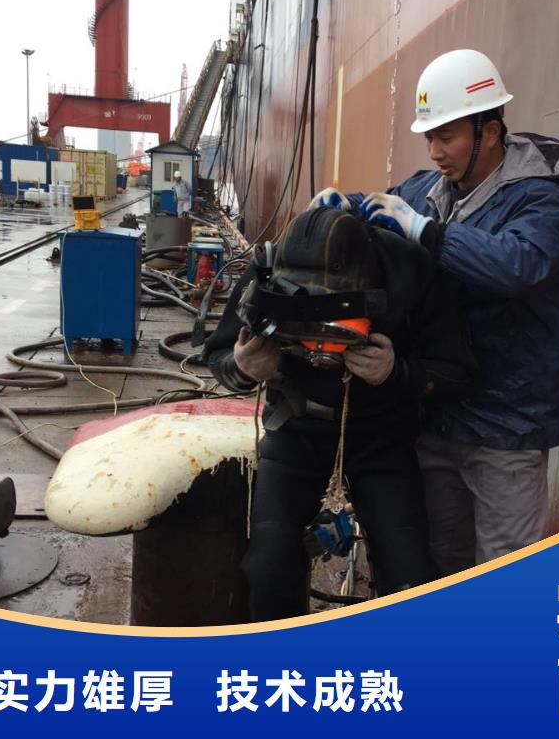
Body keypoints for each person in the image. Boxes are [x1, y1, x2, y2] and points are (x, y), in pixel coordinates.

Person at [348, 48, 559, 575]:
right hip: (439, 416)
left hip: (506, 430)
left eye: (446, 136)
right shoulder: (427, 192)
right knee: (444, 566)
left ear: (489, 131)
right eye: (429, 137)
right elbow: (380, 207)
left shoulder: (541, 204)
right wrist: (341, 207)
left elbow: (518, 265)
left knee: (503, 571)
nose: (434, 152)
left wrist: (427, 233)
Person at [203, 204, 478, 621]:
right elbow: (218, 355)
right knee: (269, 567)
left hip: (382, 436)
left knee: (408, 575)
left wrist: (397, 372)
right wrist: (243, 367)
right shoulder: (267, 272)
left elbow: (459, 373)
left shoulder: (409, 272)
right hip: (295, 428)